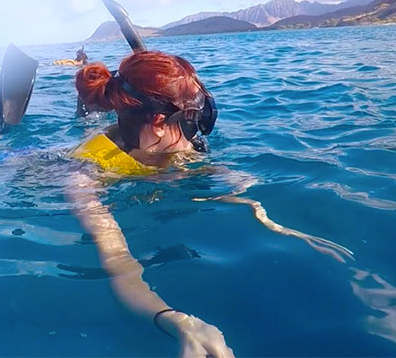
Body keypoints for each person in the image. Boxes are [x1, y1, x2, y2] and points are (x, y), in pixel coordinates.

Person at [69, 50, 349, 357]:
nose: (196, 137)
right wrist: (176, 321)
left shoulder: (179, 149)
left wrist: (276, 226)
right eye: (192, 122)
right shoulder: (86, 177)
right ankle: (84, 109)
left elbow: (238, 188)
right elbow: (118, 261)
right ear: (160, 122)